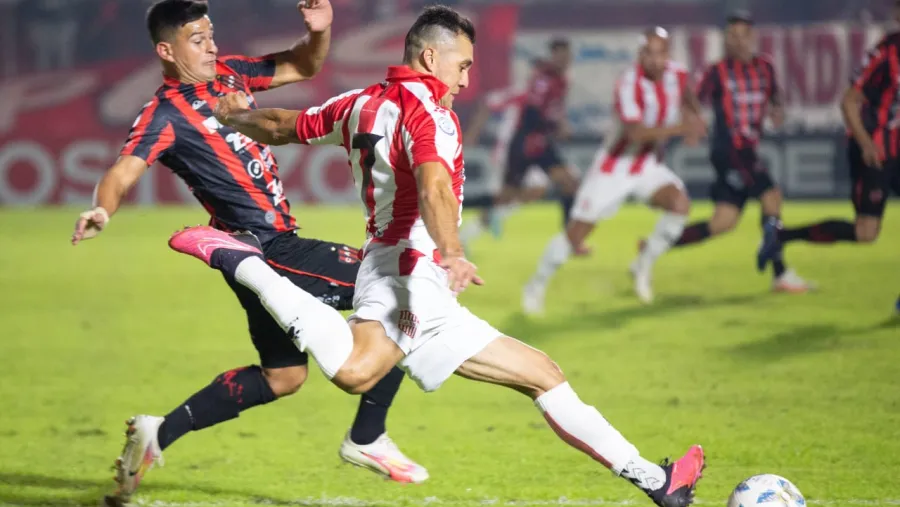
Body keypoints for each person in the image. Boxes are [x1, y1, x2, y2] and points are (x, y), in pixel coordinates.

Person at [169, 6, 705, 506]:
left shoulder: (359, 102)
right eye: (463, 65)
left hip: (407, 269)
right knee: (356, 372)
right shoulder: (431, 114)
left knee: (542, 373)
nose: (466, 80)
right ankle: (240, 260)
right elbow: (434, 186)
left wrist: (236, 117)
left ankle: (657, 482)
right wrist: (452, 251)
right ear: (430, 57)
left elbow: (282, 127)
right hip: (411, 270)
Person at [69, 1, 426, 502]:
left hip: (253, 254)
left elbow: (302, 65)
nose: (211, 45)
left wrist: (319, 31)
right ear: (167, 51)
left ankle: (158, 432)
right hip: (268, 247)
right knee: (401, 290)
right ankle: (368, 437)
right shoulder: (164, 114)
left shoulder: (231, 73)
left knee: (284, 376)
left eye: (211, 34)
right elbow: (123, 172)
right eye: (197, 39)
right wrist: (102, 209)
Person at [522, 27, 705, 311]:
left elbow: (688, 95)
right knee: (577, 233)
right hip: (614, 167)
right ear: (640, 54)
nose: (654, 60)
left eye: (660, 53)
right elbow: (635, 133)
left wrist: (696, 118)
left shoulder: (677, 75)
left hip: (647, 165)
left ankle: (642, 265)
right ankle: (536, 284)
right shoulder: (628, 83)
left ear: (668, 54)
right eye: (648, 53)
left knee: (679, 204)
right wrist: (683, 128)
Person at [666, 11, 813, 293]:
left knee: (723, 222)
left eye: (741, 35)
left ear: (752, 38)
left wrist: (777, 111)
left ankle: (656, 245)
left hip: (748, 149)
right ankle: (779, 271)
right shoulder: (717, 71)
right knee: (771, 196)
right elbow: (693, 99)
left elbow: (776, 98)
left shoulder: (765, 68)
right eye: (731, 35)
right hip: (729, 150)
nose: (736, 41)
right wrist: (692, 124)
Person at [775, 1, 900, 248]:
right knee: (865, 232)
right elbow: (848, 101)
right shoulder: (885, 53)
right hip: (875, 149)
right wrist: (866, 143)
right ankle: (781, 236)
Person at [459, 38, 580, 250]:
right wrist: (472, 136)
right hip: (514, 149)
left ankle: (569, 240)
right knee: (510, 196)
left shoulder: (560, 83)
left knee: (560, 184)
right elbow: (489, 103)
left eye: (566, 57)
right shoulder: (523, 92)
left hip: (539, 145)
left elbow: (554, 111)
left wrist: (561, 125)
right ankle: (471, 231)